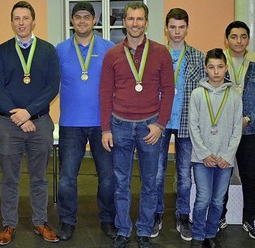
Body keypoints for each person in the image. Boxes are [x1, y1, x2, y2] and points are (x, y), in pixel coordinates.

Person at [99, 2, 174, 248]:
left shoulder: (161, 52)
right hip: (119, 125)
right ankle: (123, 229)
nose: (135, 23)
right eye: (130, 19)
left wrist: (160, 125)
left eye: (139, 19)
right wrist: (106, 129)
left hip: (149, 127)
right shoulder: (112, 54)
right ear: (124, 22)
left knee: (150, 181)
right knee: (121, 182)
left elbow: (168, 91)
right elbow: (105, 93)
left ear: (146, 22)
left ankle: (143, 230)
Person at [0, 1, 60, 245]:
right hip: (9, 126)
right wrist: (18, 116)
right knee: (9, 178)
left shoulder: (48, 50)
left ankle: (40, 221)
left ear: (33, 21)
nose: (21, 22)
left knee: (39, 178)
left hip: (39, 123)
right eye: (17, 18)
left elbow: (53, 86)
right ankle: (9, 224)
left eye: (25, 18)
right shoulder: (2, 51)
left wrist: (28, 113)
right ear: (12, 22)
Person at [55, 1, 116, 241]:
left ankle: (108, 219)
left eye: (86, 17)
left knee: (108, 176)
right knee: (67, 177)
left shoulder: (109, 48)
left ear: (94, 20)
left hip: (102, 123)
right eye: (77, 17)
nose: (82, 21)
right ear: (72, 20)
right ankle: (67, 221)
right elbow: (50, 83)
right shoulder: (60, 49)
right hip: (70, 123)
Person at [152, 7, 206, 241]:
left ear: (187, 28)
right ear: (166, 28)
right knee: (156, 172)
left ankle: (183, 216)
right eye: (172, 27)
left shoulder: (197, 56)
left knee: (185, 174)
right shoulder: (156, 54)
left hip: (187, 122)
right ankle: (156, 213)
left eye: (181, 27)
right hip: (160, 122)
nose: (177, 32)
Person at [217, 20, 255, 240]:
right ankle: (219, 215)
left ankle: (250, 217)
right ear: (227, 38)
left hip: (248, 131)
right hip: (222, 132)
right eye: (234, 36)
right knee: (222, 174)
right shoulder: (219, 61)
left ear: (248, 39)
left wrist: (248, 118)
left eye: (243, 37)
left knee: (249, 177)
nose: (238, 41)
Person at [188, 48, 242, 248]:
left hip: (225, 159)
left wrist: (227, 155)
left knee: (218, 200)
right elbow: (193, 127)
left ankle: (210, 233)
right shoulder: (197, 94)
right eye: (211, 67)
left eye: (220, 67)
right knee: (203, 198)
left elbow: (237, 129)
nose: (216, 72)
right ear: (206, 69)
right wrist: (203, 153)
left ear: (226, 68)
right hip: (202, 158)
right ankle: (197, 235)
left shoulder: (235, 96)